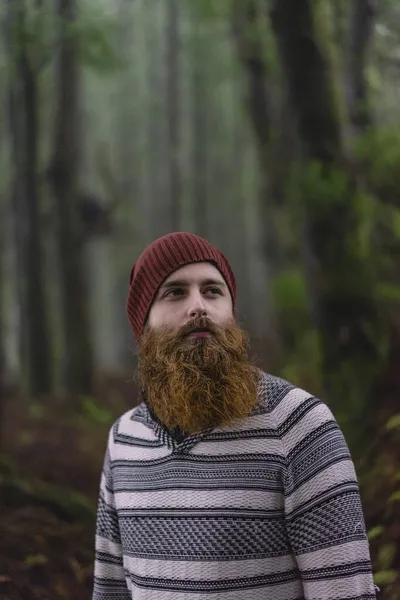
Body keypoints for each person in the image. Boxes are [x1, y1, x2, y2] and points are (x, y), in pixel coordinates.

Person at [92, 232, 378, 600]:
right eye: (175, 292)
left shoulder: (300, 426)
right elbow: (110, 592)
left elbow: (345, 592)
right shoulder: (123, 440)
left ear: (230, 311)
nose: (198, 306)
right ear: (143, 323)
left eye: (212, 291)